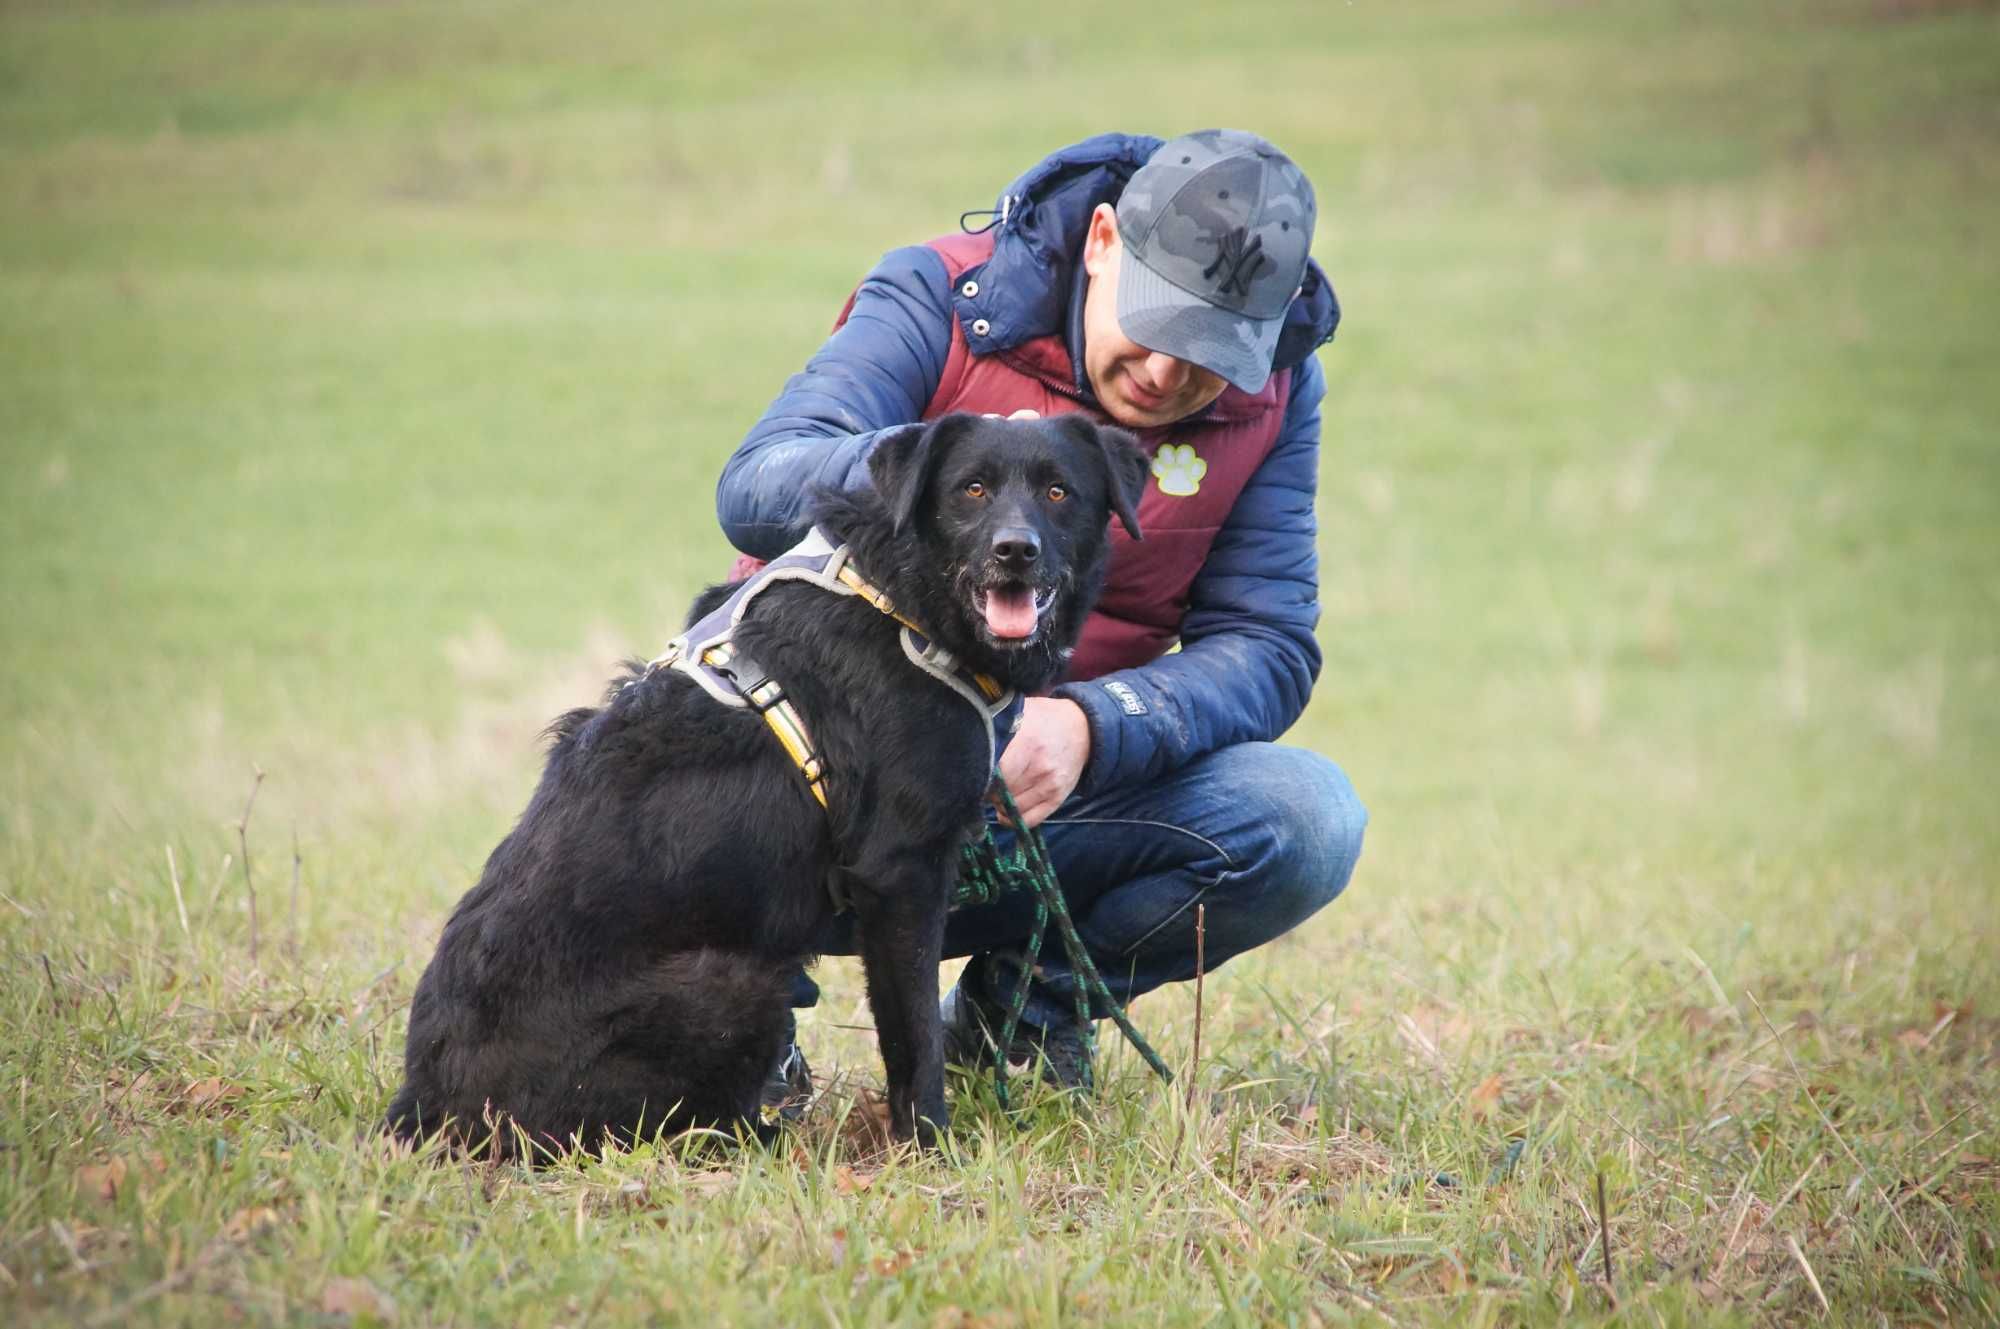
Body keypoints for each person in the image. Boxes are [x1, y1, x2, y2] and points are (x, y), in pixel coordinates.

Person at [716, 130, 1367, 1104]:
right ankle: (743, 1026)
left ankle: (1014, 1025)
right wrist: (941, 462)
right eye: (1151, 323)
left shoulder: (1275, 396)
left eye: (1207, 354)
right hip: (838, 776)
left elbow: (1266, 644)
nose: (1161, 375)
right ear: (1101, 239)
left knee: (1305, 818)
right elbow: (754, 488)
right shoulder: (939, 298)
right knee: (691, 779)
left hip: (1041, 794)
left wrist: (1090, 727)